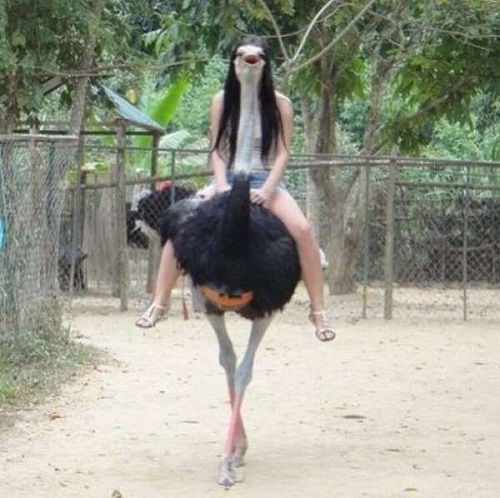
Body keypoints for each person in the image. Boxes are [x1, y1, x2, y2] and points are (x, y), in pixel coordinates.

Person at [135, 34, 335, 342]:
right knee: (181, 224)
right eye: (242, 57)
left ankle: (318, 311)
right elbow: (217, 149)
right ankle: (159, 303)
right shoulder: (222, 101)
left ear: (265, 65)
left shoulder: (281, 105)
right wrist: (222, 185)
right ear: (234, 63)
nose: (248, 62)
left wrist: (267, 190)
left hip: (265, 181)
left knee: (303, 231)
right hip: (227, 179)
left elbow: (283, 152)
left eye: (255, 58)